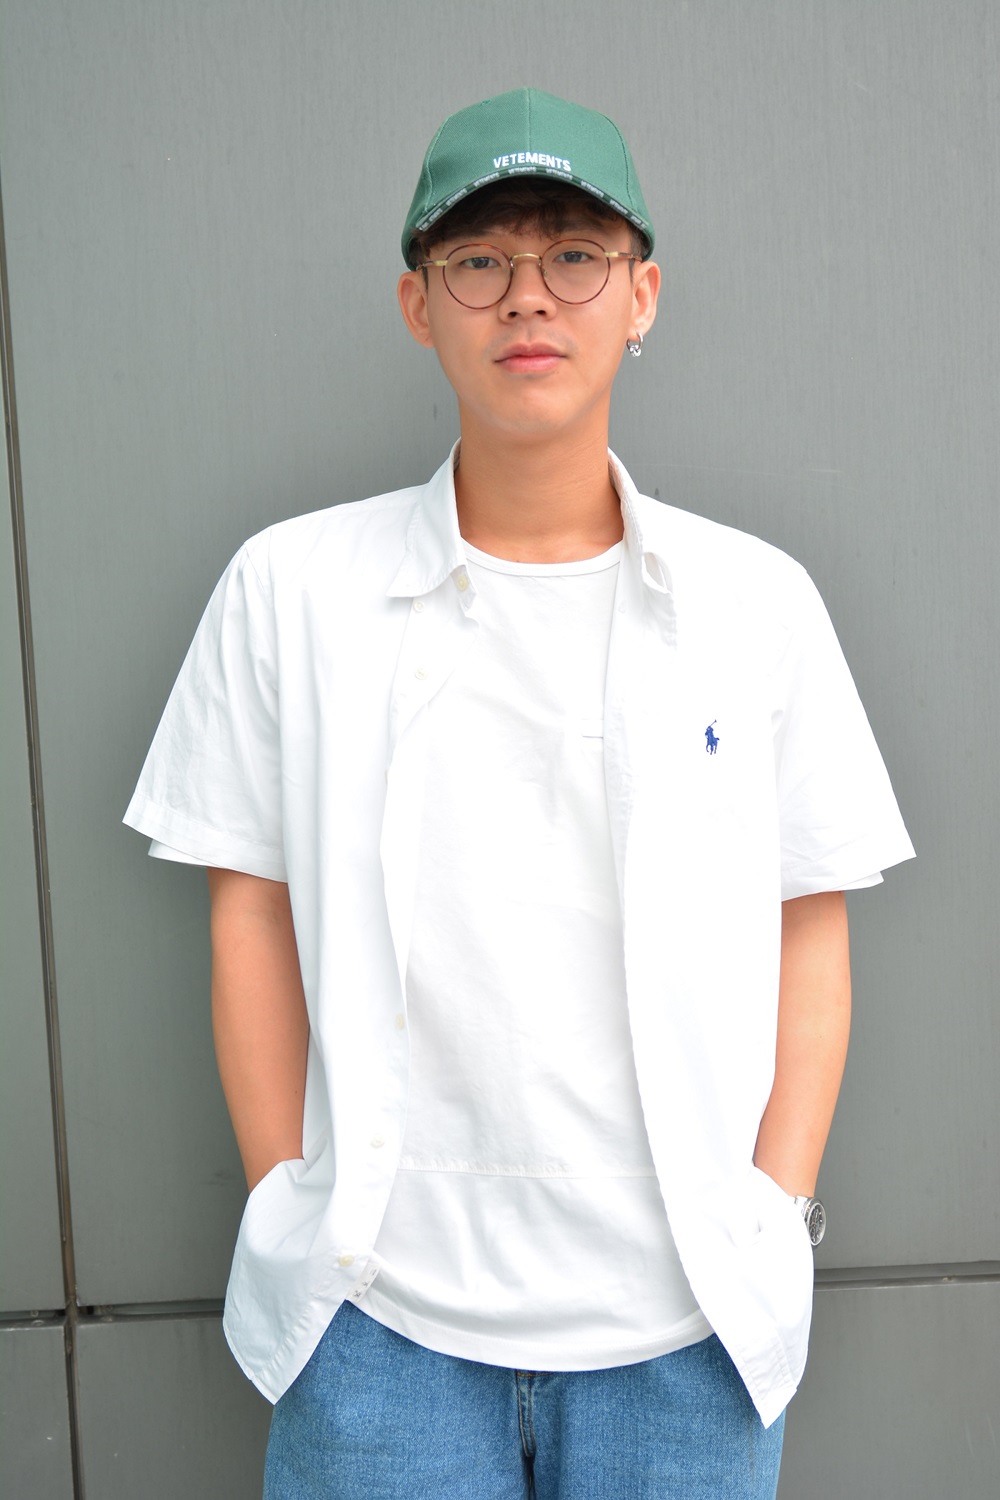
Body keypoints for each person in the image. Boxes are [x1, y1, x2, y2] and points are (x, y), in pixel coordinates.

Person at [125, 87, 914, 1498]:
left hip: (688, 1334)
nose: (527, 297)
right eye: (479, 259)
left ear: (643, 294)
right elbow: (248, 908)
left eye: (574, 255)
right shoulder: (292, 590)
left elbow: (810, 918)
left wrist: (775, 1210)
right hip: (378, 1332)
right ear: (418, 304)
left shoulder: (755, 604)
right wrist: (285, 1199)